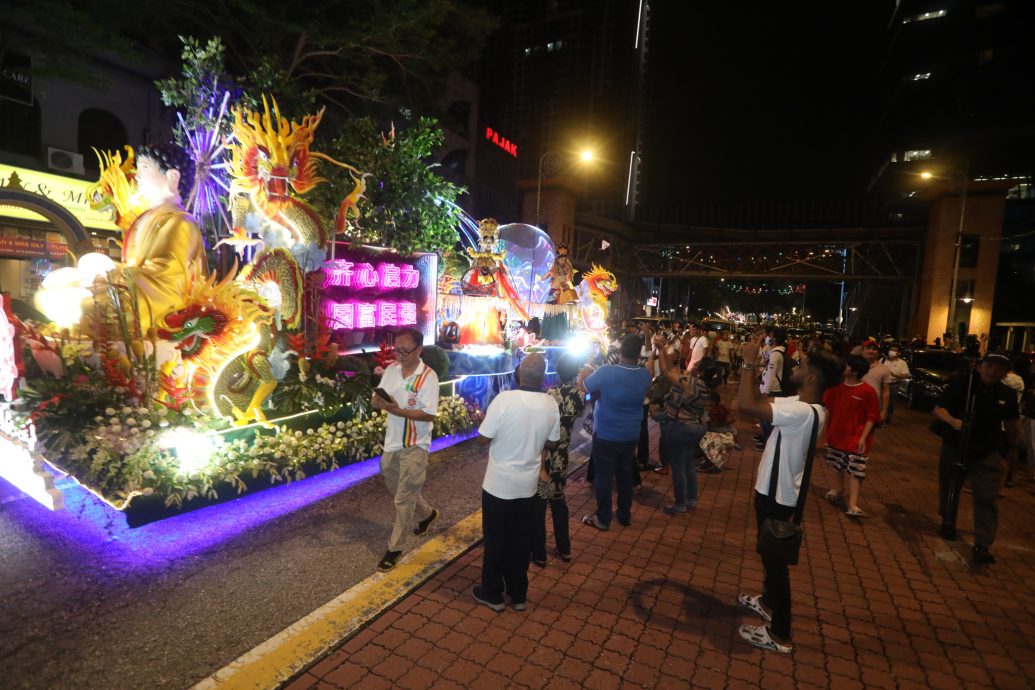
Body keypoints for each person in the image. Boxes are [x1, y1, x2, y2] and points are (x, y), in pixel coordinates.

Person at [736, 336, 842, 654]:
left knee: (776, 564)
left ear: (811, 378)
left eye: (804, 364)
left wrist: (748, 362)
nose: (798, 365)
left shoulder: (802, 413)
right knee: (769, 554)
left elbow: (744, 406)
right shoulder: (806, 407)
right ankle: (768, 602)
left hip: (777, 495)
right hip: (775, 491)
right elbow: (756, 401)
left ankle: (781, 634)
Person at [473, 354, 560, 611]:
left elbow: (482, 439)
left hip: (498, 484)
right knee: (521, 540)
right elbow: (553, 442)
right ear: (543, 376)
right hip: (528, 486)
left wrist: (485, 421)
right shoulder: (550, 404)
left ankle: (492, 592)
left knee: (495, 539)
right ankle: (519, 594)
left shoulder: (504, 400)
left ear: (519, 373)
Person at [933, 352, 1021, 564]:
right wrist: (953, 422)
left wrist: (1013, 448)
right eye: (989, 366)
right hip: (957, 444)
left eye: (1000, 368)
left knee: (986, 495)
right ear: (980, 367)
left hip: (987, 448)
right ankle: (948, 520)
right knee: (950, 484)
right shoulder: (963, 385)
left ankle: (982, 543)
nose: (993, 371)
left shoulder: (1006, 395)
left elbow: (1011, 423)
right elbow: (938, 408)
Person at [115, 143, 209, 336]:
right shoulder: (145, 218)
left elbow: (165, 280)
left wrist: (113, 277)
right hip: (128, 290)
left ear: (172, 177)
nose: (137, 176)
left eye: (145, 169)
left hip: (161, 309)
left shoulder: (180, 222)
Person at [372, 328, 441, 572]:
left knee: (403, 497)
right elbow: (380, 400)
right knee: (392, 480)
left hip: (416, 444)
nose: (399, 355)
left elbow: (429, 414)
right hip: (392, 442)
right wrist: (378, 401)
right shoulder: (391, 371)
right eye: (396, 350)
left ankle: (395, 548)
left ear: (419, 350)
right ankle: (427, 514)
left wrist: (395, 410)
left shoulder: (428, 377)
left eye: (404, 351)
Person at [580, 334, 652, 530]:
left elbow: (582, 385)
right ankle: (624, 514)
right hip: (630, 434)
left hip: (606, 433)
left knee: (603, 476)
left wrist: (588, 362)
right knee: (625, 474)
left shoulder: (607, 372)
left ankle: (603, 519)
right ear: (638, 355)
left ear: (620, 352)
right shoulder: (645, 375)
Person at [532, 354, 585, 566]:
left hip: (545, 452)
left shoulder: (549, 394)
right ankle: (565, 548)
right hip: (562, 454)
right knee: (558, 500)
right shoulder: (579, 396)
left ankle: (539, 554)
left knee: (539, 502)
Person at [653, 339, 715, 515]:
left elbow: (666, 372)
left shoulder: (691, 383)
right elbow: (671, 371)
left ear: (700, 370)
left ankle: (679, 505)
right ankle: (691, 500)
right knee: (688, 464)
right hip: (697, 426)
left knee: (678, 466)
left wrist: (661, 348)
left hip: (683, 427)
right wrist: (664, 350)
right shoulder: (704, 386)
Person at [822, 355, 880, 516]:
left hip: (856, 438)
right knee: (836, 463)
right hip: (836, 435)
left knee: (856, 470)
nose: (843, 368)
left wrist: (863, 437)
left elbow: (872, 417)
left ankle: (853, 505)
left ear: (855, 371)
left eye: (846, 365)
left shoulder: (867, 391)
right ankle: (837, 489)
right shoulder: (835, 388)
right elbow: (827, 410)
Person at [754, 328, 790, 451]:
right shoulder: (776, 351)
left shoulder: (776, 354)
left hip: (773, 389)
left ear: (774, 338)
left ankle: (768, 440)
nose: (767, 338)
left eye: (769, 336)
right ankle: (765, 437)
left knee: (767, 417)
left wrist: (765, 392)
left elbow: (770, 374)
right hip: (772, 388)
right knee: (766, 417)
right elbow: (764, 356)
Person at [698, 390, 736, 474]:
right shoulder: (722, 407)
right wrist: (724, 423)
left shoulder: (711, 410)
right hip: (724, 431)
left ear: (711, 401)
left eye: (707, 400)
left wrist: (716, 424)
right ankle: (711, 462)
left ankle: (710, 463)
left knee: (703, 440)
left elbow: (709, 422)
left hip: (716, 431)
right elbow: (733, 418)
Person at [861, 339, 894, 423]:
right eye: (868, 348)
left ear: (878, 352)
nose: (871, 351)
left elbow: (886, 391)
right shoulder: (853, 365)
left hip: (873, 407)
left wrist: (884, 411)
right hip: (854, 404)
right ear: (862, 350)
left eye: (874, 349)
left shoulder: (884, 369)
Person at [881, 344, 910, 424]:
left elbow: (906, 375)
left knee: (891, 402)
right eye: (891, 349)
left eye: (894, 350)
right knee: (880, 400)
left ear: (899, 353)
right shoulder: (882, 360)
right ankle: (880, 415)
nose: (892, 351)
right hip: (882, 384)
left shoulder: (902, 363)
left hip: (894, 384)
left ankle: (888, 416)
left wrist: (897, 376)